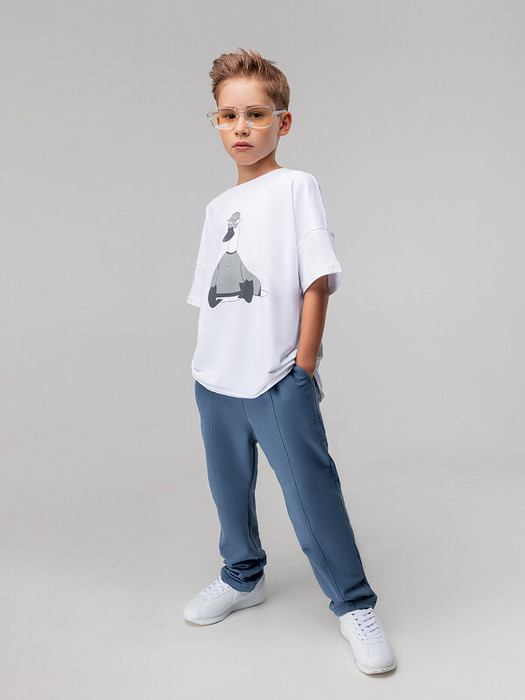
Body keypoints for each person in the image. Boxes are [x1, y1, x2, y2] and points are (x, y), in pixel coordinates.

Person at [184, 47, 396, 676]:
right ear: (216, 122)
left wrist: (301, 368)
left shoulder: (297, 187)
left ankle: (354, 604)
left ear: (283, 121)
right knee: (229, 491)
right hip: (215, 378)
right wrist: (205, 365)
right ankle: (241, 575)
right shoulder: (216, 209)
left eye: (255, 114)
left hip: (277, 377)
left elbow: (316, 280)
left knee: (311, 495)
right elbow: (210, 299)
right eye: (228, 115)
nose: (241, 127)